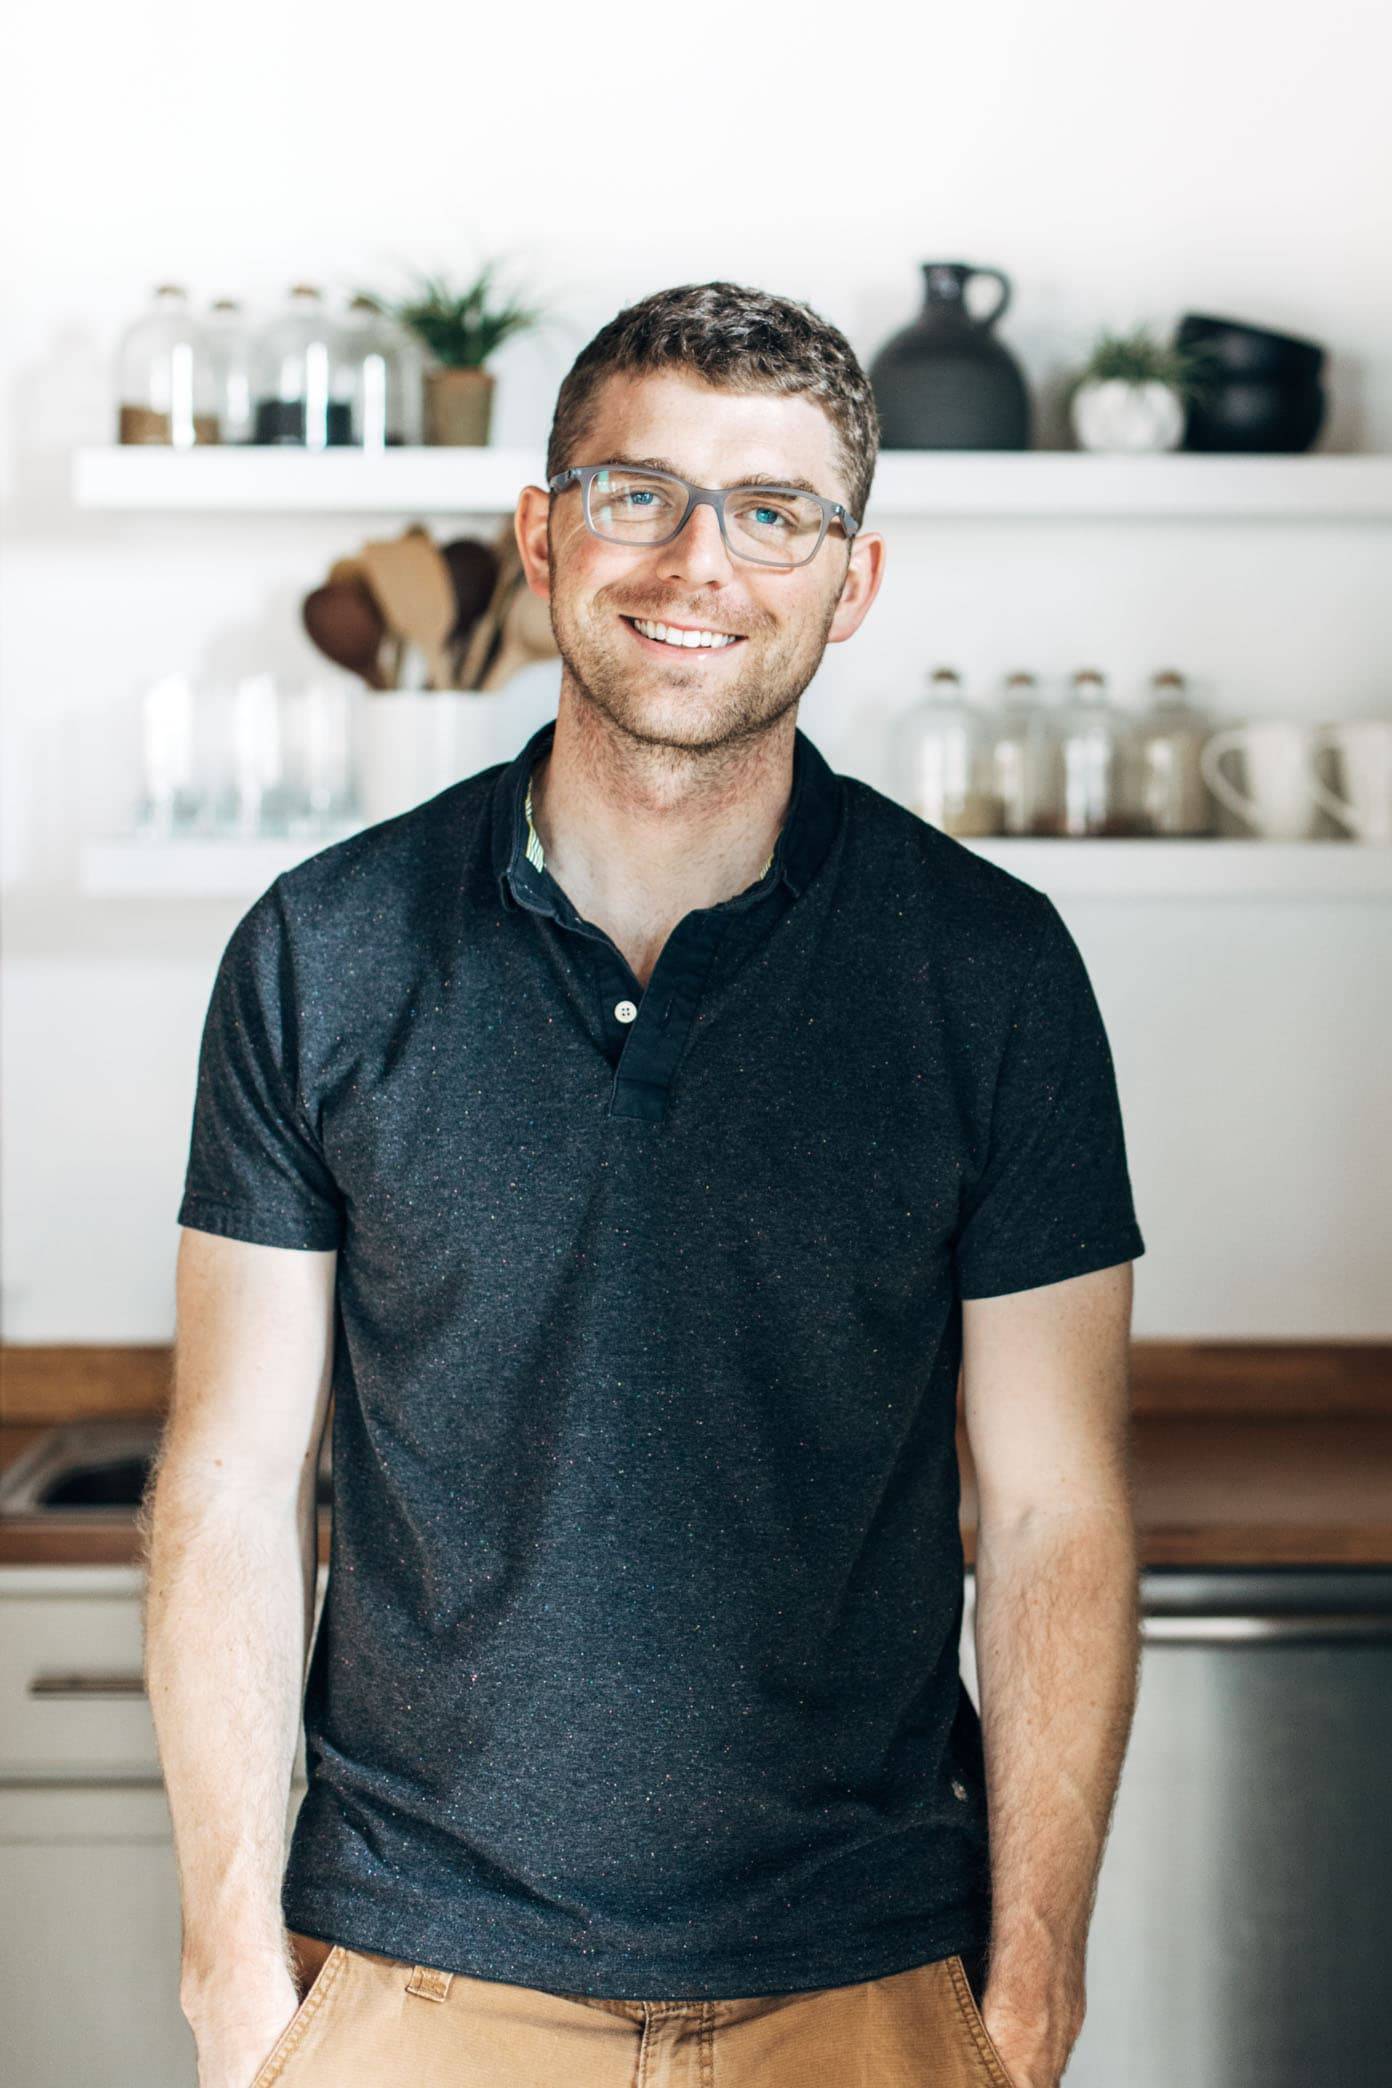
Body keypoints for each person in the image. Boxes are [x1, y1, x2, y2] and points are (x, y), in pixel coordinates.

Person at [143, 280, 1147, 2088]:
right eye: (639, 493)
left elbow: (1059, 1506)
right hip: (408, 1977)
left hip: (872, 1973)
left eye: (774, 513)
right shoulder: (326, 949)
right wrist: (234, 1976)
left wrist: (1036, 1980)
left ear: (854, 580)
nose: (701, 560)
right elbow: (226, 1476)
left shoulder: (989, 970)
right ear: (542, 534)